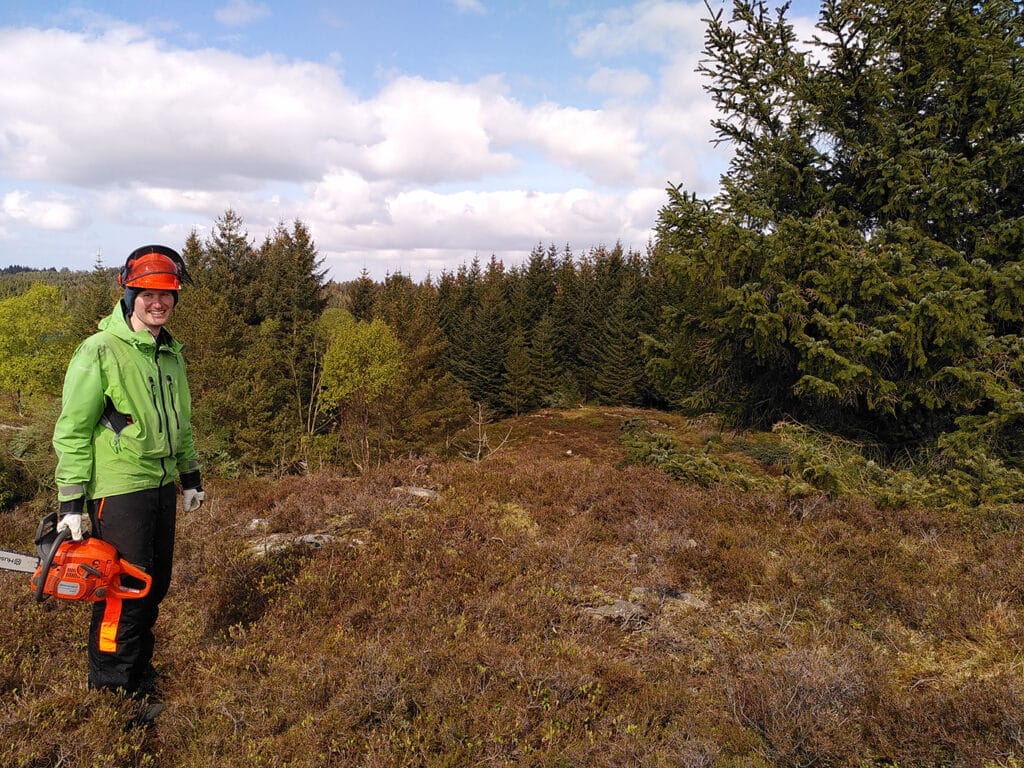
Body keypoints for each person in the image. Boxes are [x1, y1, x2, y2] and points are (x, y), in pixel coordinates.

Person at [52, 244, 204, 703]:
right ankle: (115, 691)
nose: (158, 303)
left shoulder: (170, 354)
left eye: (167, 295)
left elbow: (181, 421)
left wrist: (190, 475)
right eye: (148, 294)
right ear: (130, 293)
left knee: (154, 587)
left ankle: (137, 671)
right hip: (118, 490)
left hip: (159, 486)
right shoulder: (99, 349)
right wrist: (71, 501)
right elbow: (73, 429)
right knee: (124, 592)